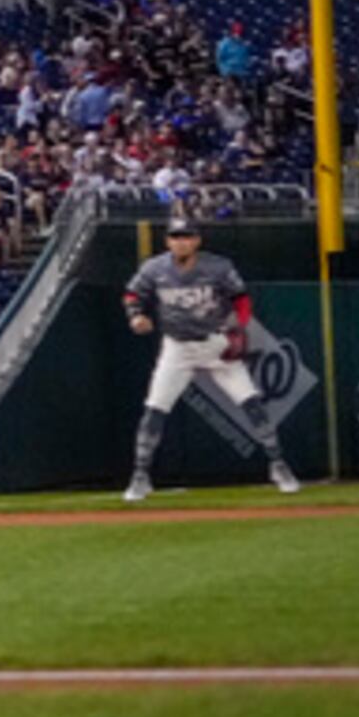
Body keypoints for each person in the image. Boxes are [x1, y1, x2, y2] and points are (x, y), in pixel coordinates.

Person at [120, 215, 304, 503]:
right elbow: (133, 294)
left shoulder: (217, 267)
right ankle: (141, 476)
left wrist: (239, 328)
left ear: (197, 240)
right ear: (168, 240)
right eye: (176, 237)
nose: (181, 242)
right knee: (155, 409)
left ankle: (278, 465)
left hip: (215, 343)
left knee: (251, 402)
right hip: (177, 347)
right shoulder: (154, 268)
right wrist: (136, 316)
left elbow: (241, 299)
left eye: (187, 237)